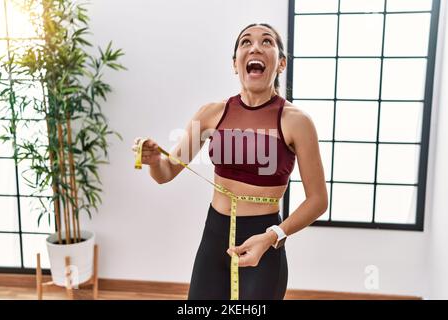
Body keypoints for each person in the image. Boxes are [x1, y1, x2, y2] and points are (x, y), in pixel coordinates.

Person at [132, 23, 328, 300]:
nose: (255, 47)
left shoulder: (297, 122)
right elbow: (166, 173)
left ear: (281, 64)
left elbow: (318, 200)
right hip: (214, 238)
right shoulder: (211, 113)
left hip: (264, 241)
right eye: (245, 42)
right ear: (235, 63)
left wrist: (273, 236)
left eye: (267, 42)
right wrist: (153, 160)